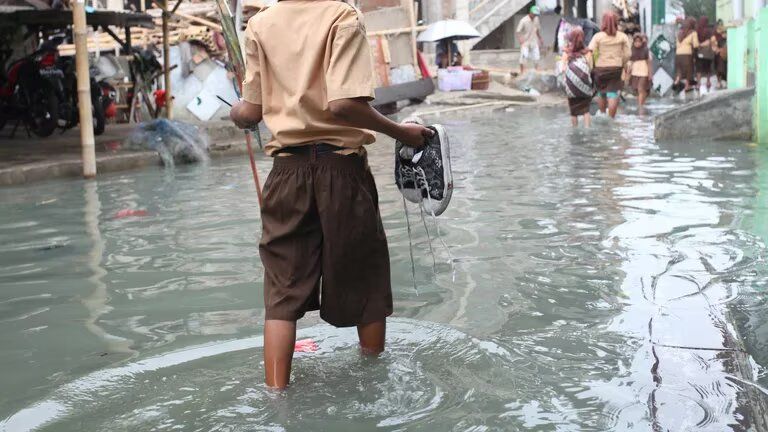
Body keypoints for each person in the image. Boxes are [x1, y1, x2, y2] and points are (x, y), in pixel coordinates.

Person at [229, 0, 433, 389]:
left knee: (281, 292)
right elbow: (344, 106)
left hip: (285, 173)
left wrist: (237, 113)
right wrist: (403, 133)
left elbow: (249, 112)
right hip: (341, 170)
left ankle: (276, 397)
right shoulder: (343, 16)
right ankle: (373, 387)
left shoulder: (260, 25)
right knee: (365, 280)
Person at [587, 11, 631, 118]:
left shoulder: (598, 36)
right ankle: (611, 118)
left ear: (604, 22)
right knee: (613, 93)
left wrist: (590, 67)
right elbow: (628, 54)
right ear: (616, 22)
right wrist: (623, 64)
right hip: (616, 69)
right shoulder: (622, 36)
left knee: (601, 93)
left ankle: (602, 114)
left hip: (600, 69)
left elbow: (590, 51)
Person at [561, 27, 593, 128]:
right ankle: (587, 128)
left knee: (574, 110)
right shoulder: (587, 52)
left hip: (571, 86)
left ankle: (575, 129)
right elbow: (590, 68)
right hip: (585, 83)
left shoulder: (566, 52)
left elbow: (563, 68)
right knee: (586, 109)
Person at [516, 5, 544, 75]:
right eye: (534, 14)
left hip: (534, 40)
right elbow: (518, 31)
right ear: (530, 12)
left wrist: (540, 38)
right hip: (526, 41)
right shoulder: (523, 20)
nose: (535, 15)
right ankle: (522, 72)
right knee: (524, 56)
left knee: (536, 56)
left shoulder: (536, 19)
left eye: (536, 14)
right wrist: (520, 40)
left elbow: (537, 30)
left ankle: (537, 70)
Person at [674, 17, 698, 94]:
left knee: (679, 71)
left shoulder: (679, 32)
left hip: (678, 55)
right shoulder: (693, 33)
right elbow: (696, 45)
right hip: (687, 55)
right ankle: (687, 86)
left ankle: (677, 82)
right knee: (689, 71)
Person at [628, 33, 652, 108]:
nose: (637, 43)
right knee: (636, 90)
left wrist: (650, 74)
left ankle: (640, 106)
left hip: (644, 71)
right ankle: (641, 103)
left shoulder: (646, 50)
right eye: (636, 41)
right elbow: (630, 61)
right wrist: (628, 71)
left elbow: (649, 62)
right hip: (635, 71)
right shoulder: (631, 49)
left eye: (639, 41)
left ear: (642, 42)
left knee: (640, 89)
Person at [695, 16, 717, 94]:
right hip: (708, 53)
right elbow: (712, 40)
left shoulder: (697, 30)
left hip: (699, 52)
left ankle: (698, 84)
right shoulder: (709, 31)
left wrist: (699, 45)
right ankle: (708, 82)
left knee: (699, 68)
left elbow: (695, 41)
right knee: (708, 68)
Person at [714, 20, 728, 89]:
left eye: (725, 33)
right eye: (723, 33)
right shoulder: (719, 40)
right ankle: (719, 82)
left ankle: (724, 81)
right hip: (719, 57)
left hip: (725, 58)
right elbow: (716, 47)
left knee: (724, 69)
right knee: (719, 70)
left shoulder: (729, 39)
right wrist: (717, 50)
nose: (724, 34)